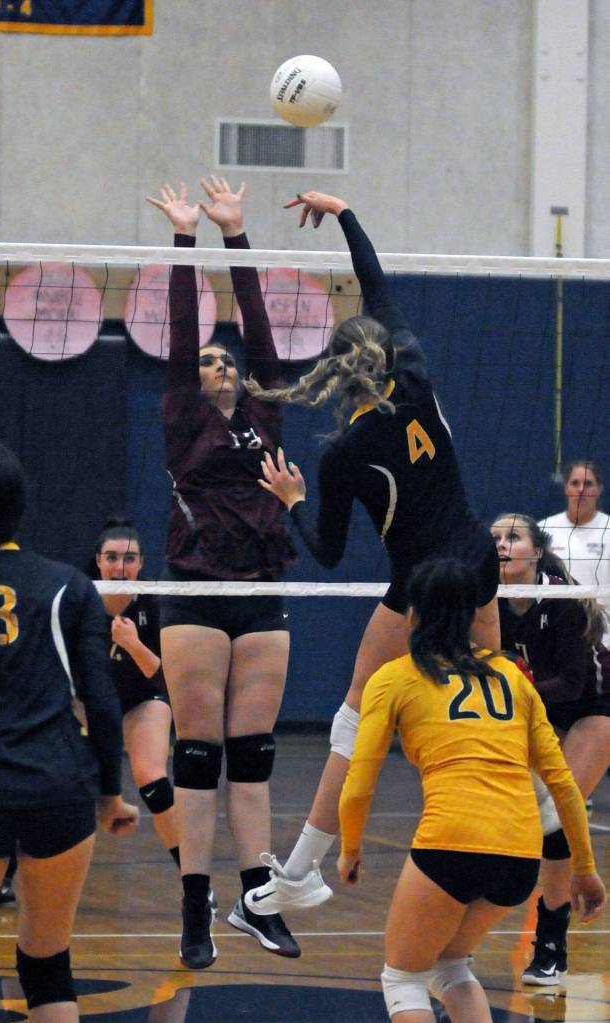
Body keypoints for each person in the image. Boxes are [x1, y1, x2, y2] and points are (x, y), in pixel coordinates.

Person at [244, 190, 500, 916]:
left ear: (335, 374)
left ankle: (302, 871)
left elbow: (326, 553)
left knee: (357, 711)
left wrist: (292, 501)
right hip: (478, 556)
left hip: (421, 583)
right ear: (383, 355)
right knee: (502, 689)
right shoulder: (414, 371)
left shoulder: (345, 453)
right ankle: (534, 821)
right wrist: (345, 212)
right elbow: (376, 284)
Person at [337, 556, 605, 1023]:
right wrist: (583, 867)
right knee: (450, 965)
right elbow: (562, 785)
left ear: (412, 614)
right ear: (474, 616)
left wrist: (350, 848)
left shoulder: (394, 678)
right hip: (520, 856)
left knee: (403, 978)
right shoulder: (512, 677)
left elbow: (359, 781)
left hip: (452, 842)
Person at [146, 177, 299, 968]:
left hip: (261, 593)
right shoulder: (183, 415)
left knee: (255, 756)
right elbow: (182, 332)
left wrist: (236, 234)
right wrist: (186, 238)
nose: (219, 364)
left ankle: (258, 900)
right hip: (198, 590)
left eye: (224, 358)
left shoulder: (265, 409)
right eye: (208, 361)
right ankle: (194, 906)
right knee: (198, 756)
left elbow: (260, 328)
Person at [0, 441, 139, 1022]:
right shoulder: (68, 586)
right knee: (48, 965)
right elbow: (102, 704)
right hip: (57, 785)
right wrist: (110, 793)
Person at [490, 512, 610, 984]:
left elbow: (574, 683)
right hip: (541, 708)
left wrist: (513, 691)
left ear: (537, 552)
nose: (501, 545)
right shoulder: (488, 601)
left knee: (556, 815)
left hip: (592, 706)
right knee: (513, 812)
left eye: (513, 537)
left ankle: (551, 946)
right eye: (494, 538)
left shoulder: (562, 600)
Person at [93, 518, 180, 869]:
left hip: (141, 698)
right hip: (90, 703)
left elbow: (165, 680)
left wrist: (132, 644)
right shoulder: (81, 600)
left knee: (152, 779)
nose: (120, 567)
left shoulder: (155, 601)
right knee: (47, 781)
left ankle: (195, 884)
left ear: (141, 563)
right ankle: (8, 874)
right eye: (111, 558)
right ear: (98, 561)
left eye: (129, 559)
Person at [540, 460, 610, 641]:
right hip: (557, 630)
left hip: (604, 632)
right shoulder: (545, 529)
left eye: (588, 483)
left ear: (599, 489)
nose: (581, 489)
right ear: (566, 488)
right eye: (575, 483)